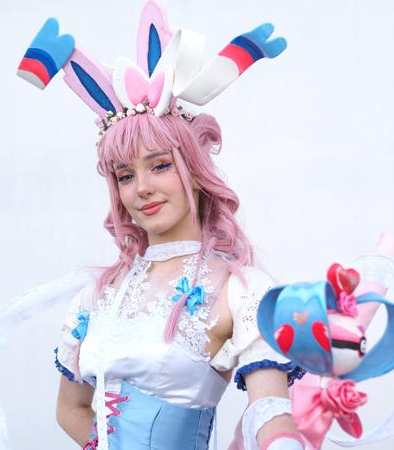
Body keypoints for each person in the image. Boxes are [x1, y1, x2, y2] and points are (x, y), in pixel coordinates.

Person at [53, 111, 306, 450]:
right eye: (126, 176)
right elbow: (70, 408)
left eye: (160, 166)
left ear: (196, 172)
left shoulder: (242, 290)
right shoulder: (97, 294)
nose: (142, 188)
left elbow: (268, 409)